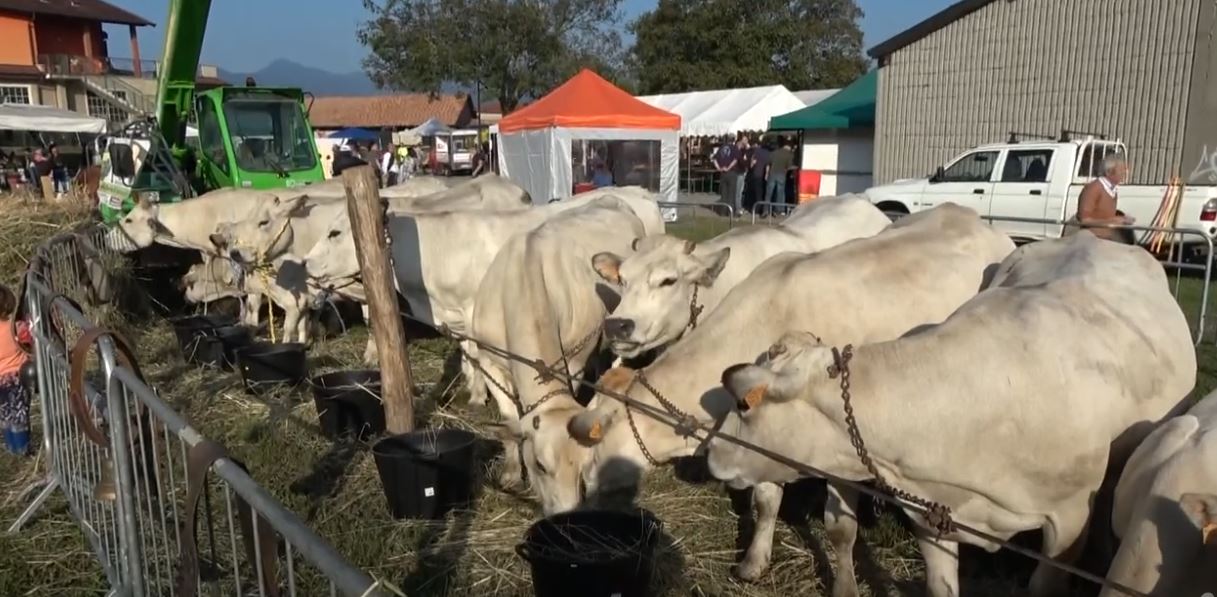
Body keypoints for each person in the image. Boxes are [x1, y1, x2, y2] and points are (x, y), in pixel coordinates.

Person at [1073, 153, 1135, 244]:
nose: (1124, 173)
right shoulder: (1093, 188)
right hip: (1093, 239)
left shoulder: (1113, 190)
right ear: (1109, 171)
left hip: (1108, 238)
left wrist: (1122, 219)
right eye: (1121, 170)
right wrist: (1113, 221)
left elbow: (1105, 215)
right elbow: (1084, 220)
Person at [0, 283, 31, 455]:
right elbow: (28, 339)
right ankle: (23, 451)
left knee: (5, 416)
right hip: (17, 378)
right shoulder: (15, 327)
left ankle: (11, 449)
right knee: (19, 415)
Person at [766, 137, 796, 210]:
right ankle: (778, 210)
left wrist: (766, 174)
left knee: (769, 193)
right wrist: (795, 168)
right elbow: (789, 166)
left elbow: (768, 164)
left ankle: (765, 210)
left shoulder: (774, 152)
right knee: (780, 193)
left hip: (772, 174)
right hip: (781, 175)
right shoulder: (789, 154)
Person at [713, 136, 739, 212]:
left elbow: (714, 159)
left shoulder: (721, 148)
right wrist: (728, 167)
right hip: (732, 172)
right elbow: (735, 160)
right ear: (733, 140)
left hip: (723, 173)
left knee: (724, 193)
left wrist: (719, 168)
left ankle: (723, 211)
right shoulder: (734, 148)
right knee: (731, 193)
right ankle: (730, 212)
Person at [748, 140, 771, 216]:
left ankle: (756, 209)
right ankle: (762, 209)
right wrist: (767, 174)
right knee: (764, 193)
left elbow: (752, 164)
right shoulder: (768, 153)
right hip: (764, 175)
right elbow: (768, 166)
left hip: (756, 174)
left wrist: (752, 165)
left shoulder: (756, 151)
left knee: (757, 193)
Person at [734, 135, 750, 214]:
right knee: (738, 192)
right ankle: (738, 208)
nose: (747, 142)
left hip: (741, 172)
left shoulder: (743, 150)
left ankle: (739, 207)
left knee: (739, 191)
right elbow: (742, 162)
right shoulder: (739, 151)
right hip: (739, 172)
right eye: (745, 140)